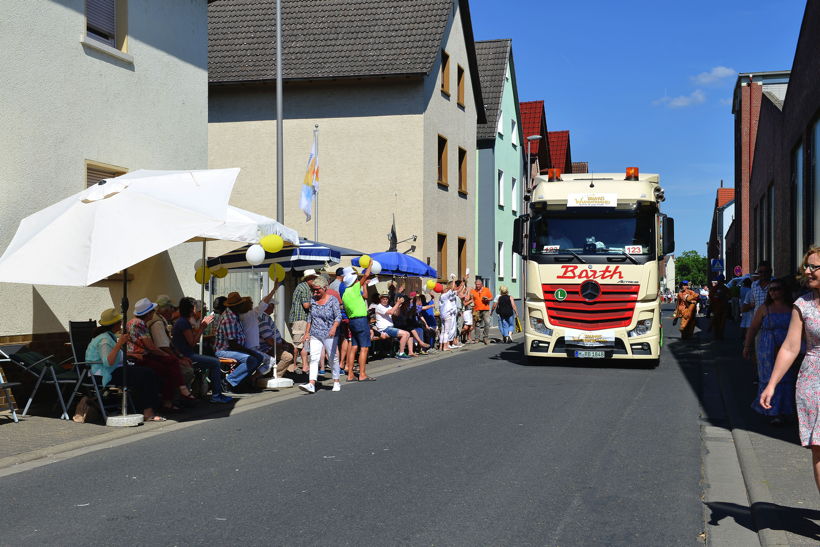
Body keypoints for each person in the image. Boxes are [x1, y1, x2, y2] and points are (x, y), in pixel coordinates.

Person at [760, 246, 820, 493]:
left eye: (813, 266)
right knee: (819, 447)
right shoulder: (802, 305)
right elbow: (790, 347)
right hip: (814, 380)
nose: (807, 271)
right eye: (806, 266)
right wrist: (771, 384)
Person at [86, 308, 164, 422]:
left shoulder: (109, 336)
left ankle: (141, 408)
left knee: (146, 372)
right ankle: (147, 412)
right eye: (120, 322)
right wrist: (119, 344)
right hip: (104, 373)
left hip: (113, 370)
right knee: (146, 374)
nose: (122, 324)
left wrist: (130, 354)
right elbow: (108, 362)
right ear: (115, 324)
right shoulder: (104, 340)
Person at [127, 297, 193, 411]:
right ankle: (180, 392)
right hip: (141, 357)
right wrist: (165, 355)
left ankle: (172, 399)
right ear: (148, 313)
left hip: (138, 357)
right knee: (170, 365)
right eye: (152, 311)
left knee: (169, 367)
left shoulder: (131, 322)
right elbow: (150, 346)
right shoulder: (141, 324)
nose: (154, 313)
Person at [744, 279, 795, 424]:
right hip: (767, 348)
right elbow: (753, 328)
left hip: (787, 346)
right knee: (769, 377)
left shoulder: (793, 308)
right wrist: (747, 346)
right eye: (771, 290)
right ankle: (772, 411)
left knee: (785, 378)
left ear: (784, 290)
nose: (773, 292)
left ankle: (783, 410)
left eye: (776, 289)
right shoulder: (764, 308)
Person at [171, 297, 233, 404]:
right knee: (215, 362)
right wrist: (202, 327)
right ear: (191, 309)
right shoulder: (183, 323)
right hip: (187, 355)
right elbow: (192, 342)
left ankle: (211, 392)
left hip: (184, 354)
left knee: (213, 361)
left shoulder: (182, 321)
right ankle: (216, 395)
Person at [300, 276, 342, 393]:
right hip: (315, 333)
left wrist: (334, 327)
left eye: (318, 289)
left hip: (329, 333)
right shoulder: (313, 300)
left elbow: (338, 316)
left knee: (332, 358)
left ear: (325, 288)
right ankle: (311, 383)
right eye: (314, 289)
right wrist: (307, 333)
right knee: (314, 357)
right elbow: (310, 317)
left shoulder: (332, 300)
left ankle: (336, 381)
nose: (315, 292)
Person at [214, 292, 262, 392]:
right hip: (224, 350)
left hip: (232, 349)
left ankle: (241, 382)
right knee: (251, 360)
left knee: (259, 357)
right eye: (240, 304)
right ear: (236, 306)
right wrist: (249, 351)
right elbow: (233, 344)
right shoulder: (229, 319)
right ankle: (228, 381)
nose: (242, 306)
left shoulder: (234, 315)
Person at [342, 263, 374, 381]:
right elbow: (366, 275)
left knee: (354, 347)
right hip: (361, 320)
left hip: (352, 321)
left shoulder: (345, 293)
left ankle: (350, 374)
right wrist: (370, 264)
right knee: (364, 348)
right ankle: (362, 374)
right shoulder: (355, 288)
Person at [288, 269, 319, 373]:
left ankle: (303, 365)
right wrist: (317, 301)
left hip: (301, 318)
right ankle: (294, 365)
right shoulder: (304, 288)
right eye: (314, 278)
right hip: (300, 318)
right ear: (309, 279)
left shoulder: (305, 287)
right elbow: (306, 305)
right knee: (298, 343)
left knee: (302, 343)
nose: (315, 280)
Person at [374, 292, 414, 359]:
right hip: (384, 329)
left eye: (386, 299)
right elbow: (391, 312)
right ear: (380, 299)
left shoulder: (388, 306)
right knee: (405, 334)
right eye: (383, 299)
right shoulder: (379, 307)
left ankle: (400, 352)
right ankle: (401, 353)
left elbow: (396, 314)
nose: (385, 300)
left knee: (407, 333)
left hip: (389, 328)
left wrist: (398, 306)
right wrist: (397, 303)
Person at [471, 277, 493, 344]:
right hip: (476, 310)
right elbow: (471, 299)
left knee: (487, 323)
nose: (477, 286)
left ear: (481, 284)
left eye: (478, 284)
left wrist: (487, 299)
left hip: (485, 309)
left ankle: (485, 338)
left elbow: (491, 297)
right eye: (476, 284)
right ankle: (477, 338)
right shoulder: (473, 291)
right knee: (477, 325)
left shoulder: (486, 290)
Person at [739, 277, 753, 342]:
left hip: (742, 305)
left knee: (743, 321)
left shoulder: (741, 289)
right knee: (748, 322)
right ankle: (747, 337)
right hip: (748, 307)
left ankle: (742, 335)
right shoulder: (750, 290)